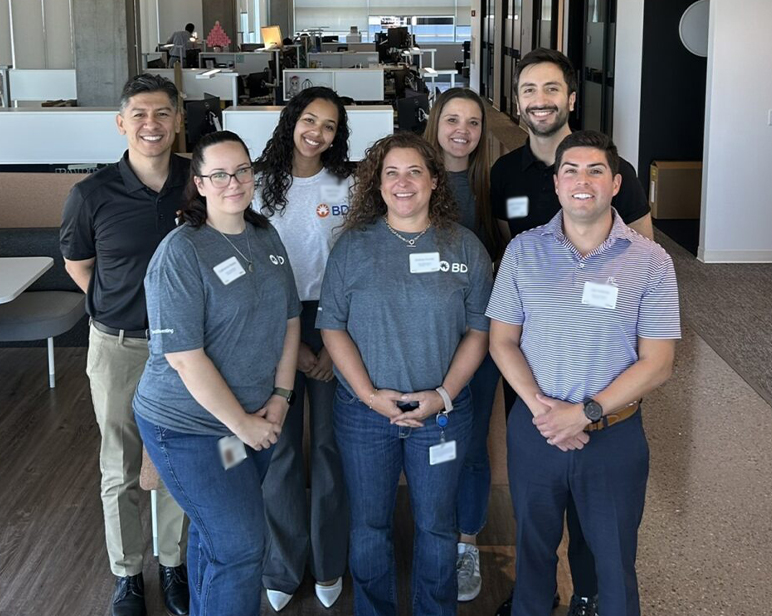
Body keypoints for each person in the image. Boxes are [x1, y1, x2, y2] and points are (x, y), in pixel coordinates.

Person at [487, 130, 680, 616]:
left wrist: (586, 412)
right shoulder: (523, 252)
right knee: (532, 554)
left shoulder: (651, 261)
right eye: (570, 170)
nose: (582, 180)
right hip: (537, 431)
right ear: (556, 185)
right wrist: (544, 411)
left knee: (613, 564)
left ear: (616, 184)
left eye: (595, 170)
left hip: (613, 437)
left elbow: (658, 362)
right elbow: (502, 341)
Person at [317, 132, 493, 616]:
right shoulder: (353, 247)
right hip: (363, 416)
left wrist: (443, 395)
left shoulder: (465, 247)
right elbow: (332, 327)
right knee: (369, 525)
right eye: (391, 172)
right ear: (377, 184)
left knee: (437, 525)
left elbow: (479, 330)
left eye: (415, 171)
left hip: (443, 416)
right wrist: (371, 395)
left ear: (435, 180)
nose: (403, 182)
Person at [132, 130, 302, 616]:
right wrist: (244, 424)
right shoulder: (181, 252)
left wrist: (282, 396)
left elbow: (289, 318)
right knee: (243, 546)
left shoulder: (265, 234)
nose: (235, 182)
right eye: (220, 174)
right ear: (200, 184)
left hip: (252, 418)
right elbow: (185, 357)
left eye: (243, 170)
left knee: (220, 539)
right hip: (188, 426)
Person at [60, 74, 190, 616]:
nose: (151, 124)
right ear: (121, 122)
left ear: (178, 120)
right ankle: (127, 574)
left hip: (189, 352)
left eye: (161, 113)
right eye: (139, 114)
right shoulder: (91, 194)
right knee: (120, 464)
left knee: (178, 462)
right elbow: (78, 265)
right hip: (118, 348)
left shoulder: (199, 180)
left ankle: (173, 565)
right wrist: (120, 312)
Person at [253, 86, 353, 611]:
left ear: (339, 135)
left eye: (329, 126)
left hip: (336, 321)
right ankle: (283, 564)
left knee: (333, 450)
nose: (317, 132)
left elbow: (356, 268)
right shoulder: (259, 183)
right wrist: (292, 349)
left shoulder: (351, 183)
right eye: (309, 120)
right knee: (282, 448)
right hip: (274, 320)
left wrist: (333, 347)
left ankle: (330, 560)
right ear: (292, 120)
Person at [423, 87, 506, 602]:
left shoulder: (490, 184)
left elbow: (509, 244)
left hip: (479, 335)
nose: (462, 131)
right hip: (423, 336)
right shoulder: (414, 175)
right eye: (452, 119)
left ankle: (467, 541)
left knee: (472, 443)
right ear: (435, 123)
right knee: (426, 439)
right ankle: (431, 534)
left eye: (473, 122)